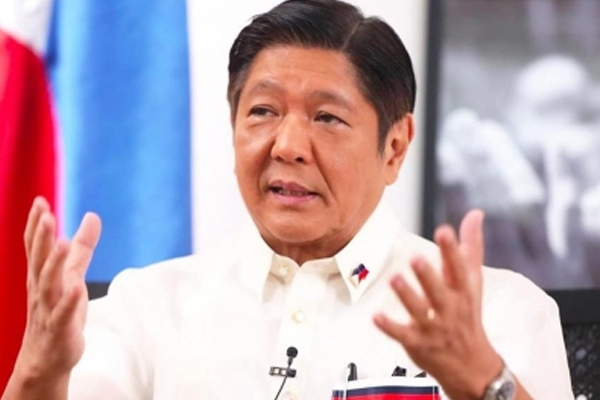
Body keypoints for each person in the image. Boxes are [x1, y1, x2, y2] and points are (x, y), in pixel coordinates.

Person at [2, 1, 572, 399]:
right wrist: (38, 368)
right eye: (263, 112)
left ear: (394, 147)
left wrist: (484, 382)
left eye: (327, 117)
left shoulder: (500, 311)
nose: (288, 146)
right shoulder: (145, 308)